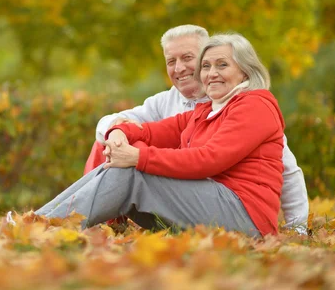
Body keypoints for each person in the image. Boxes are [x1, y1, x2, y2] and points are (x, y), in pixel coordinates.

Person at [35, 33, 288, 237]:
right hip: (212, 204)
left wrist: (137, 156)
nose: (212, 73)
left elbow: (208, 159)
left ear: (245, 71)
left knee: (131, 171)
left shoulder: (255, 105)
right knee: (122, 165)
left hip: (246, 217)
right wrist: (118, 132)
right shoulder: (205, 111)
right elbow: (152, 131)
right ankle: (41, 221)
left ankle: (47, 228)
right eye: (206, 66)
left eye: (222, 65)